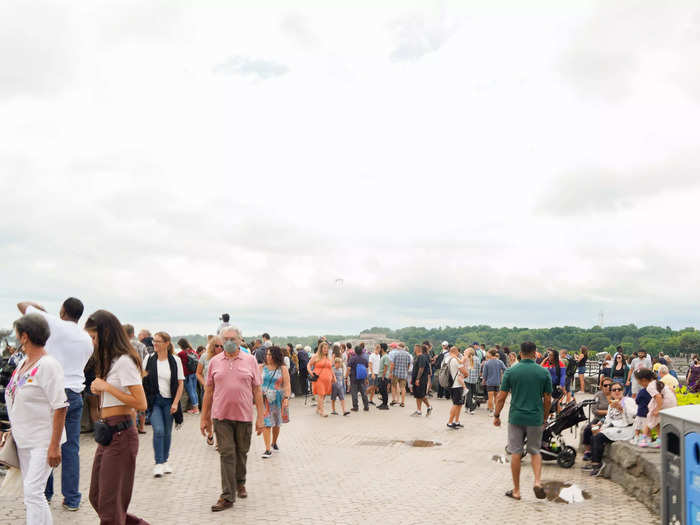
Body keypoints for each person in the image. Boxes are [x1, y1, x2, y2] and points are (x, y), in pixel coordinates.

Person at [17, 298, 92, 512]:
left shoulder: (53, 323)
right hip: (76, 393)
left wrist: (40, 308)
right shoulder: (86, 339)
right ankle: (72, 498)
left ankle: (44, 492)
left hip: (51, 394)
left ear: (63, 311)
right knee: (71, 448)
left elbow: (22, 306)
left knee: (46, 443)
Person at [83, 310, 149, 524]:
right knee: (97, 497)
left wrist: (107, 387)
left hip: (121, 434)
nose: (92, 342)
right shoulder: (110, 361)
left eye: (94, 337)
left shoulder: (124, 361)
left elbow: (141, 403)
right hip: (109, 433)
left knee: (110, 507)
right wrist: (100, 388)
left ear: (106, 333)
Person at [5, 313, 68, 525]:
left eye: (16, 334)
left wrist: (54, 447)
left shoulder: (48, 365)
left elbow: (60, 406)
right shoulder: (24, 362)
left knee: (33, 492)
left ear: (24, 336)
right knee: (32, 494)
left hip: (43, 440)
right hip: (24, 439)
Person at [200, 326, 264, 512]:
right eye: (225, 339)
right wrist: (204, 418)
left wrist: (260, 417)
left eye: (232, 339)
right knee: (227, 453)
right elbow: (209, 391)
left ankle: (240, 482)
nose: (229, 342)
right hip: (221, 417)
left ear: (240, 340)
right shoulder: (214, 362)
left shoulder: (250, 360)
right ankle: (227, 496)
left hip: (244, 416)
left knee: (241, 453)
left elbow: (257, 390)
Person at [493, 342, 552, 501]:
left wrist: (497, 415)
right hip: (535, 417)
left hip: (516, 417)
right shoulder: (543, 372)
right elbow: (547, 399)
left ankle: (517, 491)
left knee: (516, 453)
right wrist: (544, 418)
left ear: (520, 352)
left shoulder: (511, 371)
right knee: (534, 451)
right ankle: (537, 482)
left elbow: (502, 396)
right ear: (535, 353)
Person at [142, 332, 184, 477]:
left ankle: (165, 461)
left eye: (159, 341)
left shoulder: (175, 361)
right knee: (158, 430)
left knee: (167, 432)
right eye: (154, 341)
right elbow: (142, 380)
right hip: (154, 401)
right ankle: (158, 463)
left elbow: (180, 384)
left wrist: (176, 403)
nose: (155, 344)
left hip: (169, 401)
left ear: (167, 343)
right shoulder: (148, 359)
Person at [583, 382, 635, 476]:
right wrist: (600, 428)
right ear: (611, 392)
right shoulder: (611, 404)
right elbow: (608, 420)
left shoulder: (628, 401)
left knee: (598, 437)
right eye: (614, 390)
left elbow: (632, 418)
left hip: (625, 429)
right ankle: (593, 461)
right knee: (592, 433)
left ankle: (597, 465)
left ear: (623, 391)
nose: (617, 391)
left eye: (619, 389)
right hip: (613, 428)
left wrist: (621, 408)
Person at [259, 346, 290, 458]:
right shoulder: (261, 367)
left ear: (276, 356)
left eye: (270, 354)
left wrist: (286, 398)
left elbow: (287, 384)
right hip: (265, 399)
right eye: (267, 354)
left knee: (276, 423)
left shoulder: (282, 368)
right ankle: (267, 449)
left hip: (278, 399)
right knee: (267, 423)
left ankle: (274, 442)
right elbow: (256, 383)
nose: (268, 356)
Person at [636, 369, 678, 448]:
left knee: (651, 416)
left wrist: (658, 409)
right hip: (670, 401)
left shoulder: (650, 386)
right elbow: (671, 390)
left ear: (644, 380)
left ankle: (644, 438)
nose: (639, 383)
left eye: (639, 381)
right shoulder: (657, 382)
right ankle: (660, 440)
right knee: (658, 421)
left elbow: (658, 396)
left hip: (664, 402)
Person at [196, 336, 224, 446]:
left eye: (222, 346)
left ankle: (219, 440)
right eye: (217, 346)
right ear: (212, 346)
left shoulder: (224, 358)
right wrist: (204, 384)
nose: (220, 348)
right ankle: (210, 433)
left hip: (221, 391)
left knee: (219, 415)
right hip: (208, 390)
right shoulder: (205, 357)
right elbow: (198, 373)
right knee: (208, 415)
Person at [124, 325, 148, 432]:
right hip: (139, 376)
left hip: (126, 377)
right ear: (132, 334)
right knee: (141, 403)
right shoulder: (141, 345)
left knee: (130, 405)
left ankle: (132, 427)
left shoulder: (121, 345)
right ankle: (142, 427)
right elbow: (147, 359)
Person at [581, 379, 613, 461]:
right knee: (588, 429)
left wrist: (608, 413)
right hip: (598, 418)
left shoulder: (615, 395)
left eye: (610, 385)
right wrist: (608, 412)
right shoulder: (598, 395)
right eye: (605, 385)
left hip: (611, 419)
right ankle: (588, 451)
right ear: (602, 386)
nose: (608, 387)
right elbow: (594, 410)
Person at [308, 342, 333, 417]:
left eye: (327, 348)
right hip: (319, 378)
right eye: (324, 348)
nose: (326, 350)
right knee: (321, 394)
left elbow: (330, 368)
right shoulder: (316, 356)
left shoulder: (328, 357)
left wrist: (333, 377)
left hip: (327, 379)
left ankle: (318, 409)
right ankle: (322, 411)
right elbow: (308, 365)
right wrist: (310, 372)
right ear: (321, 348)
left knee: (324, 395)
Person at [176, 338, 199, 415]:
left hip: (187, 375)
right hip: (194, 373)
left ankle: (195, 410)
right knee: (194, 391)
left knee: (190, 392)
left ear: (181, 345)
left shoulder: (181, 353)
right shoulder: (193, 351)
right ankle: (196, 408)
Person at [445, 346, 466, 429]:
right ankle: (450, 422)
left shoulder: (447, 359)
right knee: (456, 404)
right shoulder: (455, 360)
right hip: (457, 384)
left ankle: (456, 421)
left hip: (451, 384)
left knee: (459, 404)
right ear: (456, 351)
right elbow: (464, 372)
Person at [410, 344, 432, 417]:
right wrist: (412, 379)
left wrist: (418, 379)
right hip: (415, 378)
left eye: (414, 348)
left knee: (421, 395)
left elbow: (421, 368)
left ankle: (429, 407)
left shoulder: (421, 357)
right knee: (417, 395)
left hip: (421, 379)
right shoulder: (416, 357)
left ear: (417, 349)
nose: (413, 349)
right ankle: (419, 410)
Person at [482, 349, 506, 414]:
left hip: (489, 382)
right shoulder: (500, 362)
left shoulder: (487, 363)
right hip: (497, 382)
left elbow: (484, 374)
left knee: (490, 398)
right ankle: (496, 411)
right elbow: (505, 370)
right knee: (496, 398)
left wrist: (483, 381)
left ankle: (491, 411)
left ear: (490, 354)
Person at [348, 344, 370, 412]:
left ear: (355, 351)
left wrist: (346, 376)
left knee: (354, 393)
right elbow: (366, 369)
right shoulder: (364, 359)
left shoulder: (352, 358)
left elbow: (349, 368)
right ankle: (366, 406)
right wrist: (366, 378)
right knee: (363, 392)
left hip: (354, 378)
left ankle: (355, 407)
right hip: (362, 378)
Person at [389, 343, 411, 408]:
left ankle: (393, 399)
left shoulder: (396, 354)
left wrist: (390, 372)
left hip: (396, 372)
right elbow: (409, 364)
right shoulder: (408, 354)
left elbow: (392, 364)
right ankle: (402, 402)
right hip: (404, 373)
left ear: (399, 347)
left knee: (393, 386)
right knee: (403, 388)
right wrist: (406, 370)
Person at [464, 347, 481, 414]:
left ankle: (469, 408)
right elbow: (479, 369)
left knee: (469, 394)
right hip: (474, 379)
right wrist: (477, 376)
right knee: (471, 394)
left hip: (466, 378)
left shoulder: (466, 359)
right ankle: (469, 407)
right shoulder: (477, 359)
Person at [376, 343, 391, 410]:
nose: (378, 349)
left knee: (384, 391)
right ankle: (383, 403)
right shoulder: (383, 356)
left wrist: (383, 376)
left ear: (382, 349)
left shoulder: (386, 356)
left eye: (379, 348)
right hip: (381, 375)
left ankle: (385, 405)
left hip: (383, 376)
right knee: (381, 390)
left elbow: (386, 367)